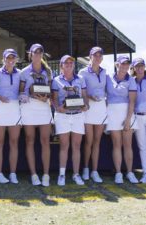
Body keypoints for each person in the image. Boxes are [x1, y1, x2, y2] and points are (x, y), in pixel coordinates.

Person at [19, 43, 53, 186]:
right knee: (30, 140)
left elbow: (51, 91)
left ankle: (46, 174)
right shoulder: (24, 72)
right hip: (29, 108)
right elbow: (21, 91)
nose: (38, 54)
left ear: (42, 54)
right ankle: (33, 174)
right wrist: (26, 96)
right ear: (30, 54)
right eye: (35, 52)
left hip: (44, 107)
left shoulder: (49, 71)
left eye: (40, 52)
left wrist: (47, 97)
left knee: (45, 141)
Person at [52, 55, 88, 186]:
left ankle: (76, 174)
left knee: (77, 146)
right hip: (63, 116)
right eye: (66, 63)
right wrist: (58, 108)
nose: (69, 64)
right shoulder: (56, 80)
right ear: (61, 66)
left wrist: (86, 105)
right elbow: (54, 98)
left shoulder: (81, 79)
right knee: (64, 145)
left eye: (71, 62)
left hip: (78, 115)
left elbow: (84, 96)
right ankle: (62, 174)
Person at [106, 55, 138, 184]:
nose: (125, 66)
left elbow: (132, 101)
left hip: (127, 113)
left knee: (127, 145)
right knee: (116, 145)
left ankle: (130, 173)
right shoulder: (108, 78)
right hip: (112, 113)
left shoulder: (131, 80)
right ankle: (118, 173)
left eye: (127, 64)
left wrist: (128, 119)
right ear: (117, 64)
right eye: (122, 64)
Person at [78, 47, 107, 183]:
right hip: (88, 108)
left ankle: (94, 171)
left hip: (101, 109)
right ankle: (85, 169)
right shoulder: (82, 72)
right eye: (95, 55)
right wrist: (90, 96)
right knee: (88, 141)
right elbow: (80, 92)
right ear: (90, 57)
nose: (97, 58)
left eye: (100, 56)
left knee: (97, 141)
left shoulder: (105, 72)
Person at [0, 49, 21, 184]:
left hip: (15, 108)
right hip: (0, 107)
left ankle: (13, 173)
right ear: (3, 59)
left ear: (16, 59)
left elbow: (22, 90)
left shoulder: (20, 74)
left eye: (13, 58)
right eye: (8, 58)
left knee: (14, 142)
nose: (10, 60)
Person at [131, 58, 146, 183]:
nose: (140, 68)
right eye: (137, 66)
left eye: (142, 66)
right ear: (134, 68)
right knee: (142, 146)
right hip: (137, 117)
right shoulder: (131, 82)